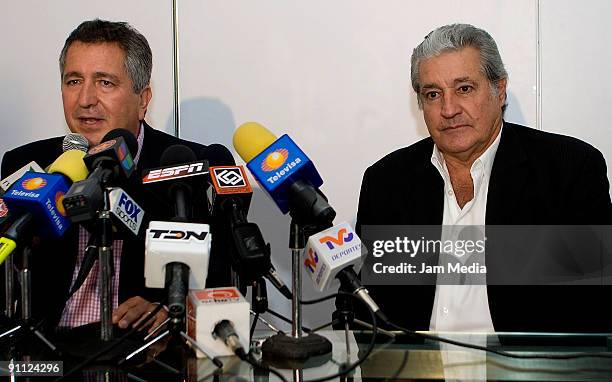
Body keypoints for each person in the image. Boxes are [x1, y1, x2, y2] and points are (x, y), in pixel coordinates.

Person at [353, 23, 612, 332]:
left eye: (464, 88)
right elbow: (365, 310)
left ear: (499, 89)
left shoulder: (568, 170)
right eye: (433, 94)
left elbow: (595, 309)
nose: (448, 109)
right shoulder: (387, 182)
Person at [1, 19, 235, 332]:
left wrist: (171, 315)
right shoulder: (29, 165)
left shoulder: (193, 167)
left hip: (141, 355)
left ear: (143, 100)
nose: (85, 99)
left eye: (105, 82)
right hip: (46, 352)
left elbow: (223, 285)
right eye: (73, 81)